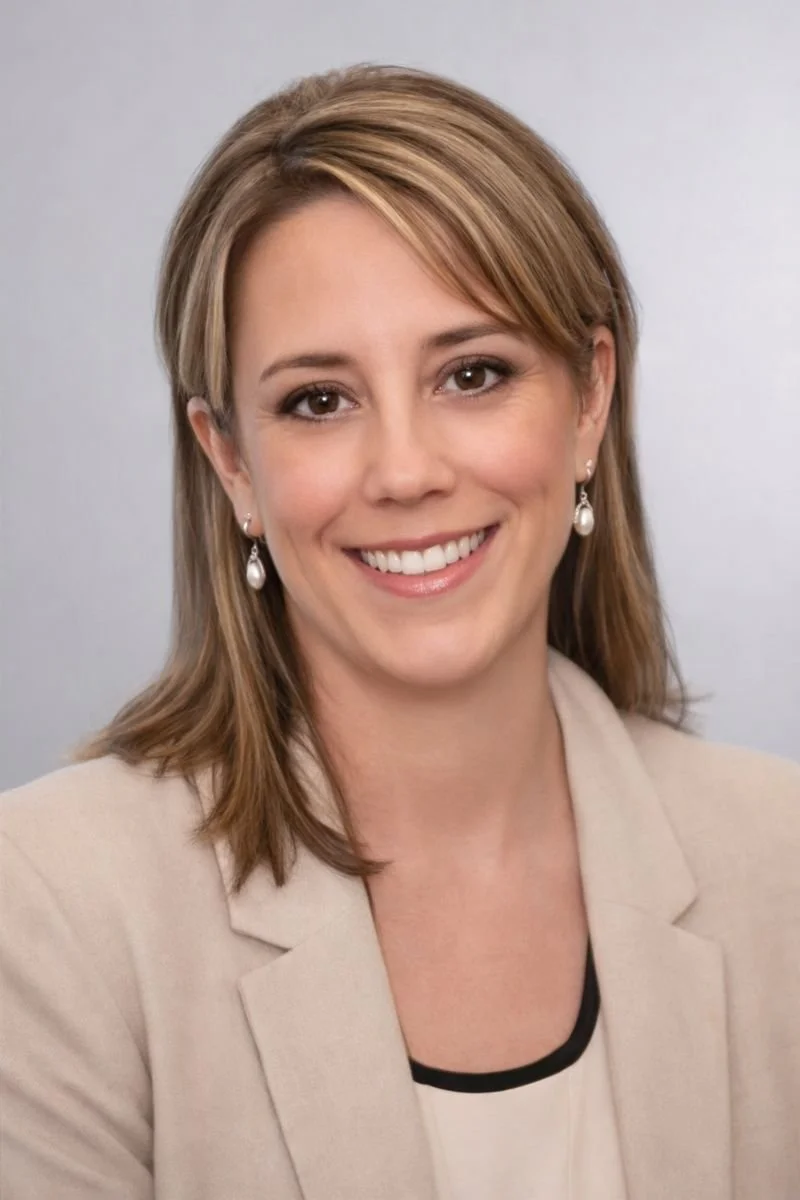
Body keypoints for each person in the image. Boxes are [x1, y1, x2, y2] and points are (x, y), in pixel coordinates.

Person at [1, 62, 798, 1200]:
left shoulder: (783, 866)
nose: (407, 472)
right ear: (230, 460)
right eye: (318, 400)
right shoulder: (46, 908)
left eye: (472, 374)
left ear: (586, 403)